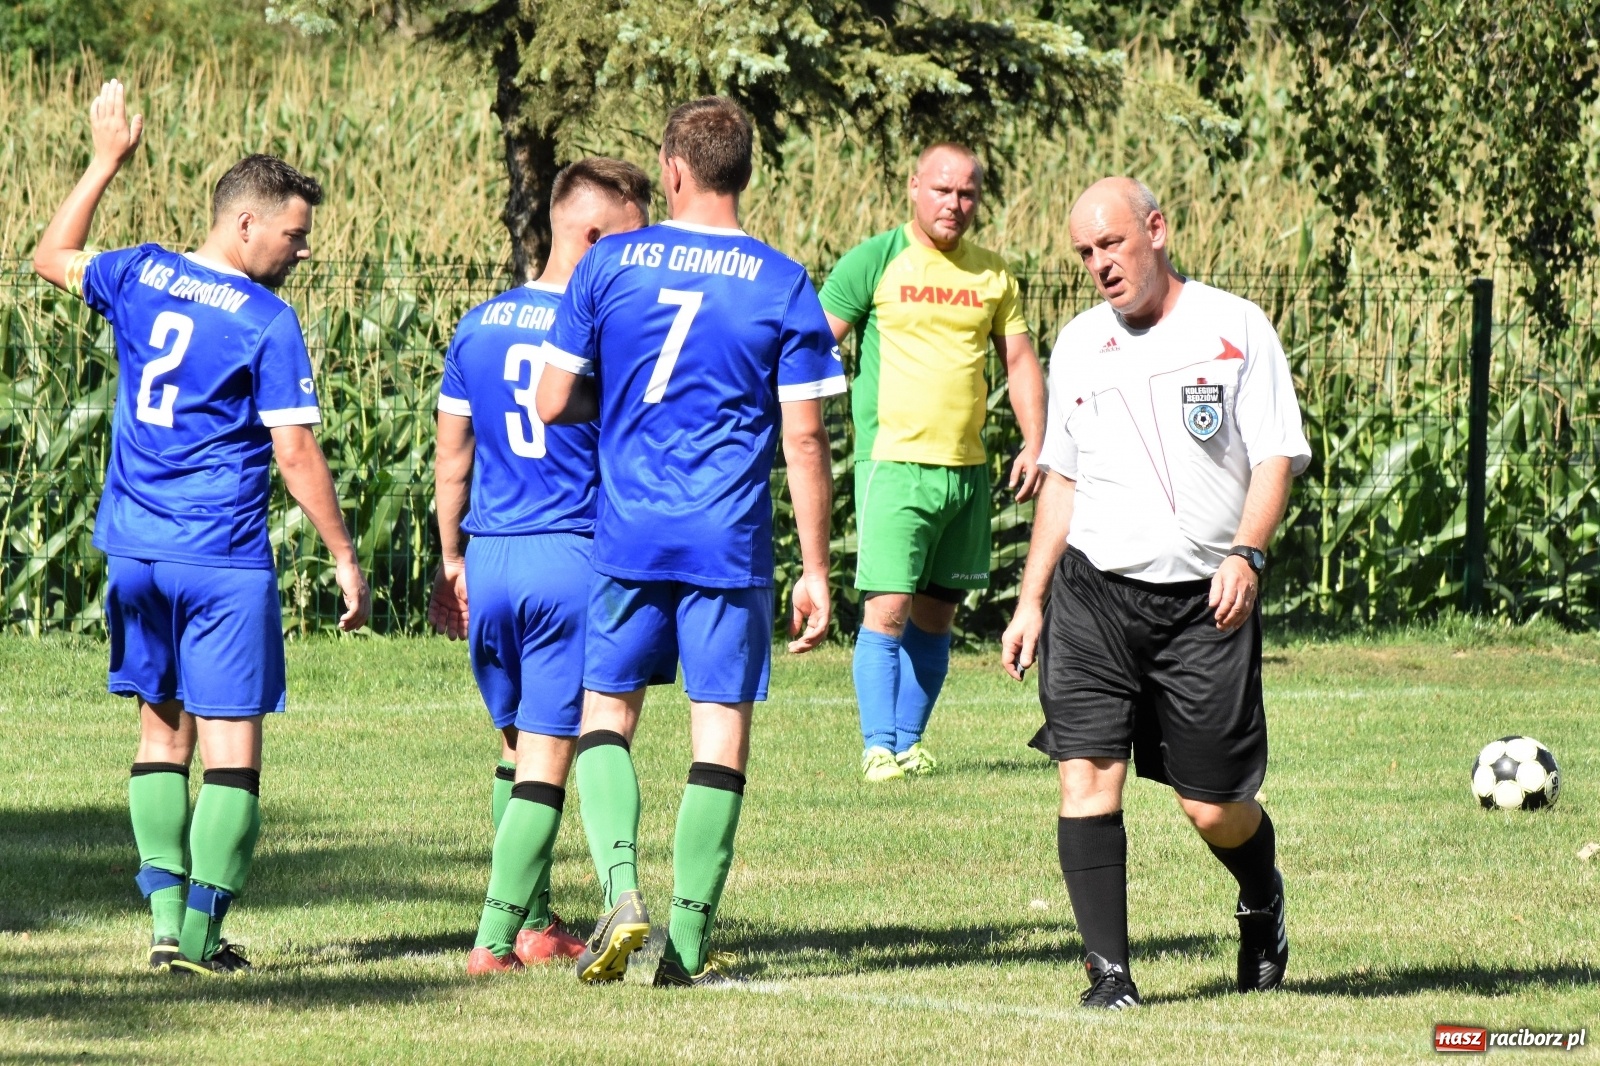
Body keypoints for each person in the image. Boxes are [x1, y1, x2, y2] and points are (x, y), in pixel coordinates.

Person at [32, 80, 371, 975]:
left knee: (159, 738)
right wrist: (342, 553)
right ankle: (202, 934)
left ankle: (161, 923)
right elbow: (294, 453)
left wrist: (104, 164)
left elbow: (49, 254)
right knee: (231, 754)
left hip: (136, 553)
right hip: (220, 559)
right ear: (247, 224)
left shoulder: (140, 271)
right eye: (295, 236)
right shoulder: (265, 319)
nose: (302, 253)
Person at [537, 96, 842, 988]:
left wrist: (622, 404)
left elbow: (555, 401)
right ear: (744, 171)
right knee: (720, 735)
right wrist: (818, 569)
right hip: (728, 539)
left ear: (670, 170)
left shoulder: (613, 262)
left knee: (607, 715)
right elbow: (805, 439)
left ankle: (620, 893)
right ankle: (688, 944)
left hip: (629, 533)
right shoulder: (784, 282)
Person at [1000, 177, 1311, 1008]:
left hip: (1206, 602)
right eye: (1084, 254)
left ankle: (1262, 896)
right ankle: (1109, 974)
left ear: (1157, 230)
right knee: (1085, 778)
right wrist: (1032, 599)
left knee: (1213, 809)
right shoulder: (1076, 345)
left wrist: (1246, 554)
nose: (1099, 265)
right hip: (1095, 596)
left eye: (1111, 244)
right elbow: (1062, 478)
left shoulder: (1234, 327)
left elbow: (1276, 454)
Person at [427, 157, 651, 974]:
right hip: (572, 555)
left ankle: (537, 920)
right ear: (591, 237)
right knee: (555, 756)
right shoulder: (607, 330)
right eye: (633, 237)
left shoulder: (479, 324)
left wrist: (451, 558)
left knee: (518, 746)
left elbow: (452, 459)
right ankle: (492, 943)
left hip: (491, 557)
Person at [818, 143, 1045, 783]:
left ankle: (909, 744)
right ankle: (877, 748)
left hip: (966, 471)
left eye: (967, 193)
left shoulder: (994, 275)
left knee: (937, 615)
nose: (955, 203)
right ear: (915, 186)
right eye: (942, 190)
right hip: (894, 465)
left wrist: (1035, 440)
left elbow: (1021, 362)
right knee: (887, 610)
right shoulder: (874, 261)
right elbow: (809, 343)